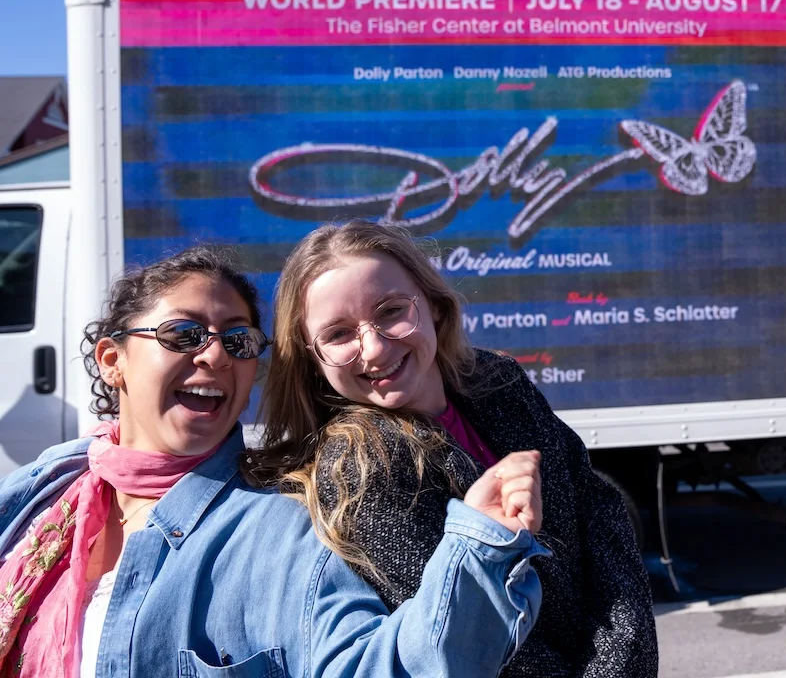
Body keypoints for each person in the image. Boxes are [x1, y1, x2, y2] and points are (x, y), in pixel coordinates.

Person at [0, 245, 548, 678]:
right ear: (112, 360)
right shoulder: (43, 491)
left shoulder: (283, 531)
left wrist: (480, 549)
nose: (215, 354)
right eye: (184, 334)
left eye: (238, 341)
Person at [246, 219, 659, 678]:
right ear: (311, 357)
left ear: (435, 307)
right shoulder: (360, 467)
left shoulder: (498, 381)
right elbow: (479, 643)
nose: (375, 348)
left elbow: (601, 514)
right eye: (338, 334)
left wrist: (624, 660)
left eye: (391, 311)